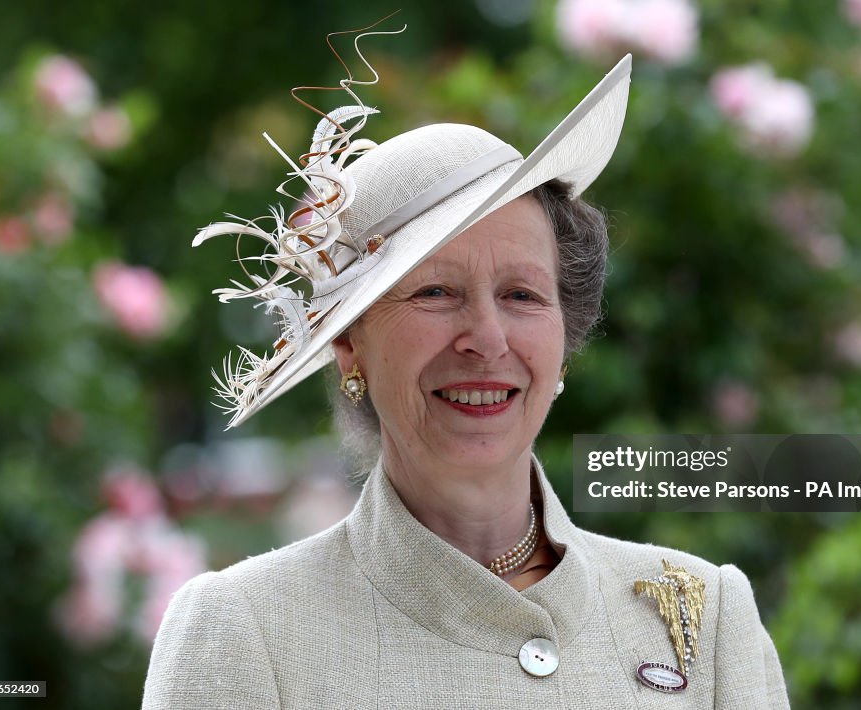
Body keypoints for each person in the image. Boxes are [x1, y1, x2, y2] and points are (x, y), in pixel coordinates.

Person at [142, 34, 790, 709]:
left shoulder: (701, 616)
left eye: (521, 295)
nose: (486, 338)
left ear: (564, 339)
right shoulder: (250, 629)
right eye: (435, 293)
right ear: (349, 346)